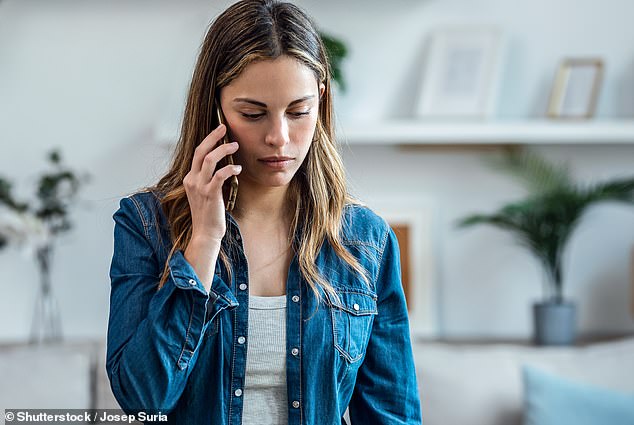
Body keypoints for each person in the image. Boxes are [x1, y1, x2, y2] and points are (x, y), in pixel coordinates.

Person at [106, 0, 422, 423]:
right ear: (214, 107)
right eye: (252, 114)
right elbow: (142, 398)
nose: (279, 137)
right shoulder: (146, 225)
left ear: (322, 102)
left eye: (298, 111)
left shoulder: (366, 239)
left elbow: (392, 414)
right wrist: (203, 244)